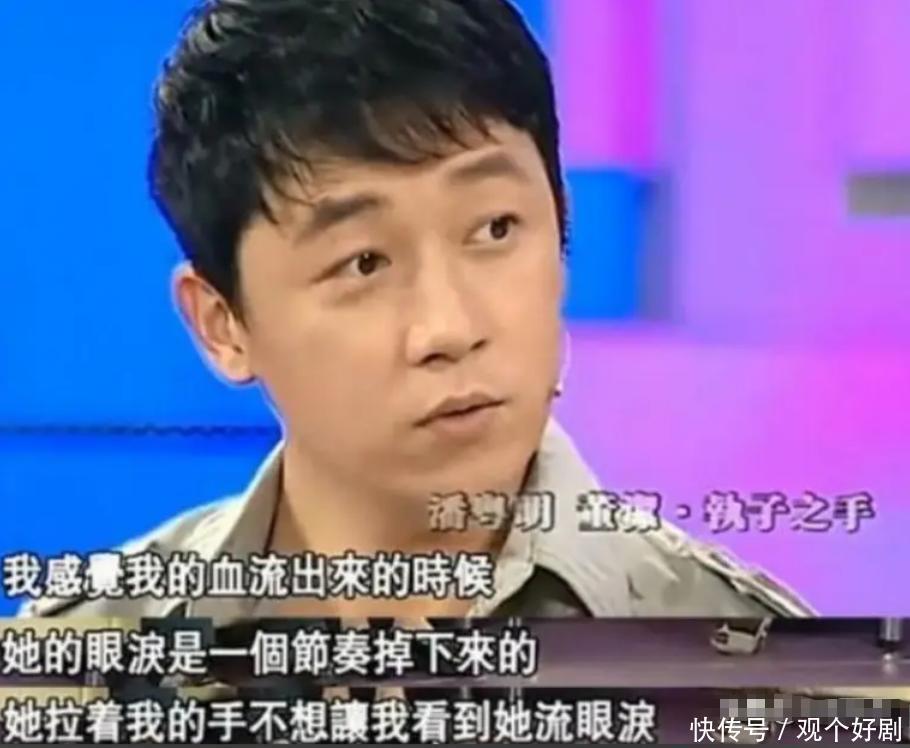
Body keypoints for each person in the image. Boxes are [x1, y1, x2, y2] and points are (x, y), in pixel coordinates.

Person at [19, 0, 814, 621]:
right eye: (364, 262)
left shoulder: (749, 669)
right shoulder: (79, 672)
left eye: (495, 228)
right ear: (221, 324)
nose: (450, 328)